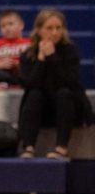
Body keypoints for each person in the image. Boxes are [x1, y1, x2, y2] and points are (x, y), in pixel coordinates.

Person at [17, 9, 93, 161]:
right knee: (34, 95)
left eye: (59, 28)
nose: (55, 32)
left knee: (63, 93)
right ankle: (28, 147)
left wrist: (52, 57)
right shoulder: (28, 54)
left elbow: (70, 82)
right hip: (42, 111)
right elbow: (30, 84)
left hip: (69, 108)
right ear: (39, 30)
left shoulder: (70, 51)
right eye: (49, 28)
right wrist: (40, 60)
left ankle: (61, 148)